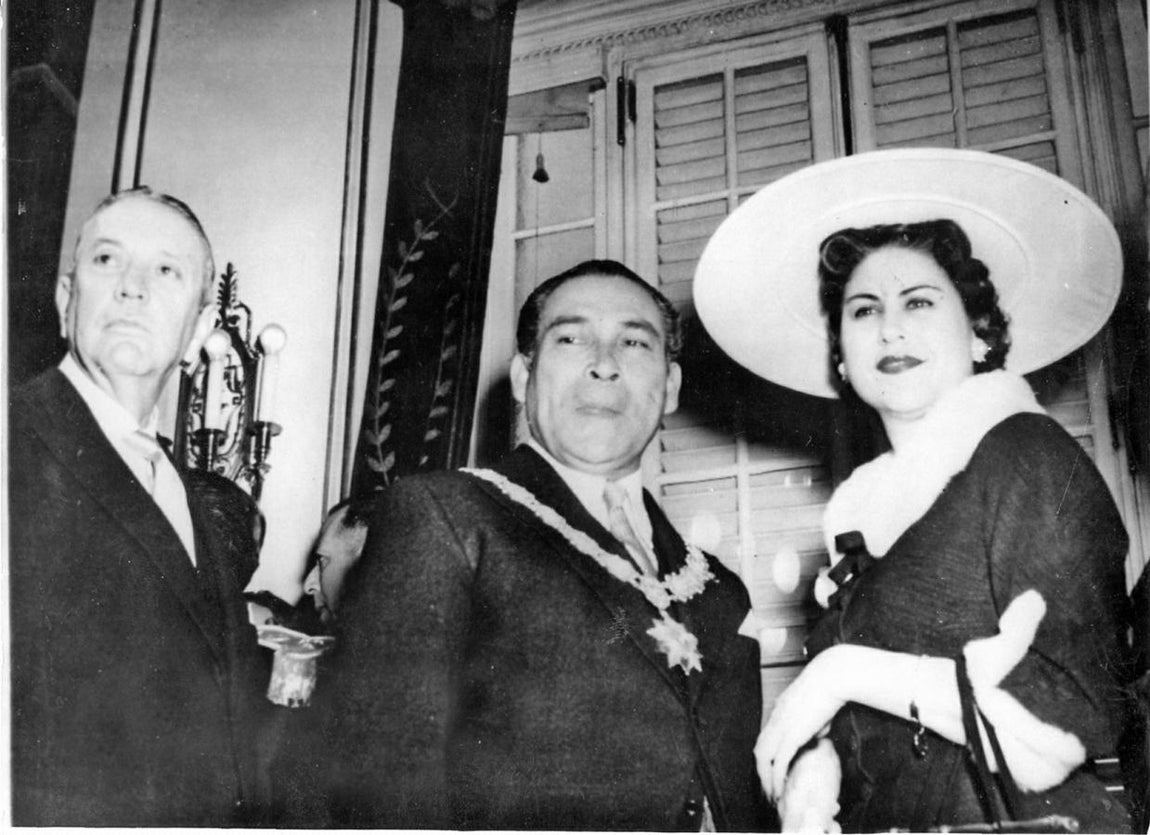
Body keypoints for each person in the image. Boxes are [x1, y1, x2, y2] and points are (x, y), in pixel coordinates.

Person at [693, 149, 1134, 832]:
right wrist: (818, 769)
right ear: (841, 356)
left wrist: (840, 672)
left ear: (982, 334)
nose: (890, 327)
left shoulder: (1027, 456)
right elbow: (871, 721)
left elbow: (1070, 713)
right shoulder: (860, 519)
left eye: (919, 302)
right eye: (863, 310)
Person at [322, 259, 772, 830]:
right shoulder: (447, 516)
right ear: (521, 377)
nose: (604, 365)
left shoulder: (719, 590)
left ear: (672, 387)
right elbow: (383, 787)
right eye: (571, 338)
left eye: (634, 343)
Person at [9, 187, 274, 826]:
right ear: (67, 301)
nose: (132, 287)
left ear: (201, 331)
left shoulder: (185, 488)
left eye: (166, 270)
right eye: (107, 260)